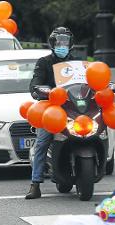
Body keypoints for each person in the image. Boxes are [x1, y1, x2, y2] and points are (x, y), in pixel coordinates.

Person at [25, 27, 74, 199]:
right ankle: (35, 183)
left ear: (71, 44)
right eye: (59, 42)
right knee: (42, 142)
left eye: (65, 43)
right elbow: (35, 83)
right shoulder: (43, 62)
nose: (62, 46)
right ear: (52, 44)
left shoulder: (76, 63)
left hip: (72, 108)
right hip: (50, 109)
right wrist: (39, 90)